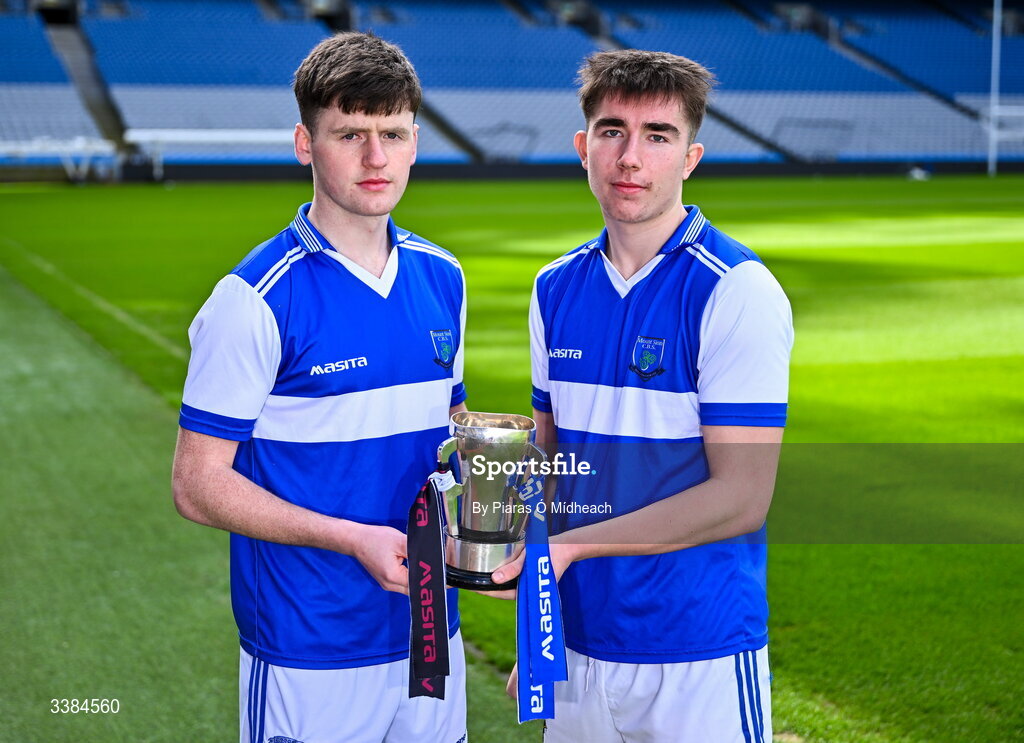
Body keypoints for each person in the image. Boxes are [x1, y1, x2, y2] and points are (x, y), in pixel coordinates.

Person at [171, 32, 468, 743]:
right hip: (309, 647)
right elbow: (196, 485)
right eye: (350, 134)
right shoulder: (255, 299)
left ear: (416, 142)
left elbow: (449, 427)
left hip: (433, 634)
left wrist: (490, 504)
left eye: (393, 134)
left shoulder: (443, 275)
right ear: (306, 144)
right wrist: (350, 538)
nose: (376, 158)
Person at [492, 49, 793, 742]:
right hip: (576, 644)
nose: (631, 157)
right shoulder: (554, 288)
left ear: (690, 158)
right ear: (583, 148)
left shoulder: (735, 290)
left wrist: (570, 551)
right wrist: (539, 626)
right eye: (612, 131)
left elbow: (743, 495)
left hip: (698, 652)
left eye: (658, 135)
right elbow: (552, 467)